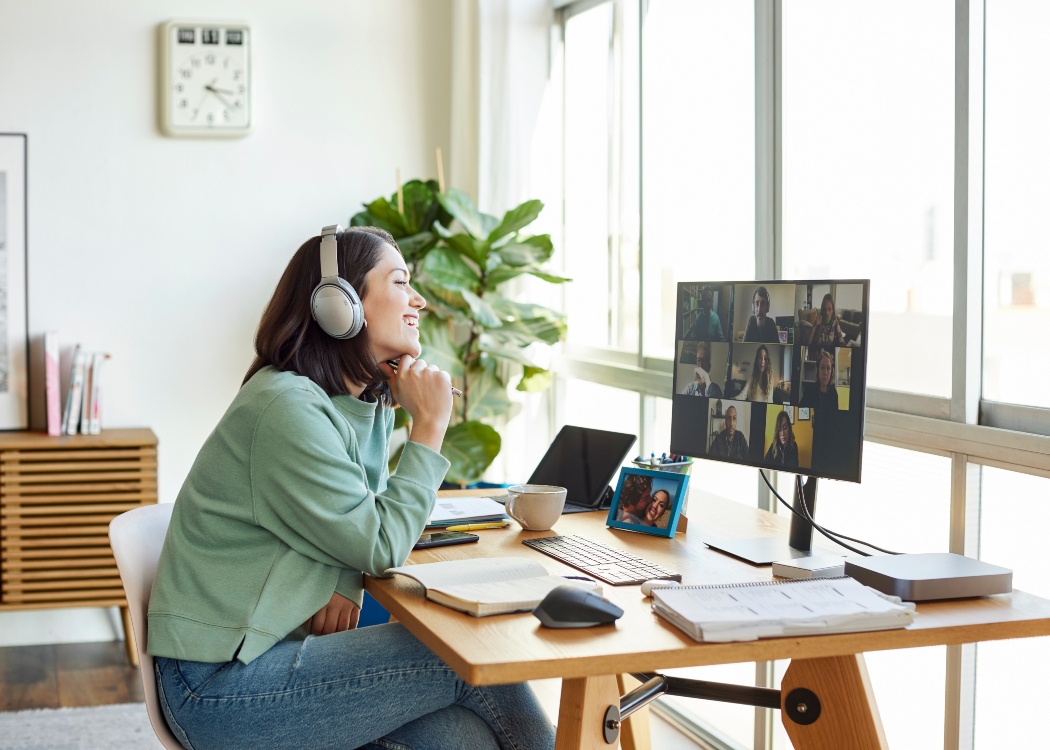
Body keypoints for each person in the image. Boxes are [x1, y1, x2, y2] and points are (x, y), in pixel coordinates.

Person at [147, 226, 555, 750]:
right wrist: (429, 426)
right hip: (216, 687)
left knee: (467, 738)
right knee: (460, 651)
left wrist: (344, 576)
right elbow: (382, 544)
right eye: (401, 282)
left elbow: (356, 515)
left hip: (271, 656)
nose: (420, 300)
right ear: (338, 305)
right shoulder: (285, 408)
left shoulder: (351, 404)